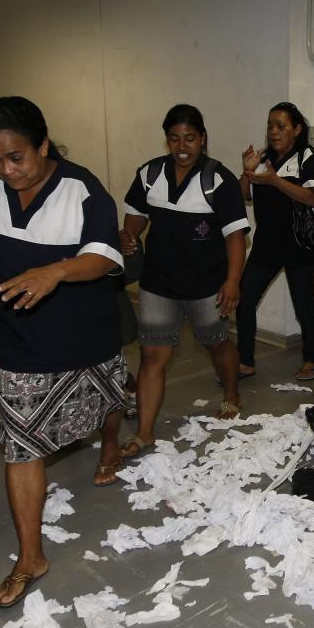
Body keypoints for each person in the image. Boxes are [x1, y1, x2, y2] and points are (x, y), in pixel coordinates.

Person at [0, 97, 125, 607]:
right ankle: (31, 556)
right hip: (19, 333)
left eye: (17, 157)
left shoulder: (81, 189)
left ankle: (110, 446)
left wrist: (56, 270)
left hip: (84, 330)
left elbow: (105, 257)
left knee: (106, 402)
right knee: (21, 444)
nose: (5, 170)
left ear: (43, 145)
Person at [119, 104, 249, 453]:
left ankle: (232, 393)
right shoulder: (149, 174)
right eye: (174, 138)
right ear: (166, 140)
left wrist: (232, 282)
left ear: (202, 139)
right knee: (151, 357)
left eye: (189, 138)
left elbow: (236, 237)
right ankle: (144, 432)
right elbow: (135, 216)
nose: (181, 146)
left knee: (217, 344)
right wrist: (129, 235)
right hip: (159, 282)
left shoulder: (218, 180)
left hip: (206, 283)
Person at [235, 102, 314, 382]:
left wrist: (275, 180)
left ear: (297, 129)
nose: (274, 132)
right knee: (245, 300)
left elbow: (313, 197)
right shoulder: (264, 159)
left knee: (303, 307)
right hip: (266, 244)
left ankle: (311, 359)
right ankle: (245, 361)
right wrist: (247, 171)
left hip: (299, 245)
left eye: (281, 126)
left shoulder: (309, 158)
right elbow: (244, 196)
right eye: (270, 126)